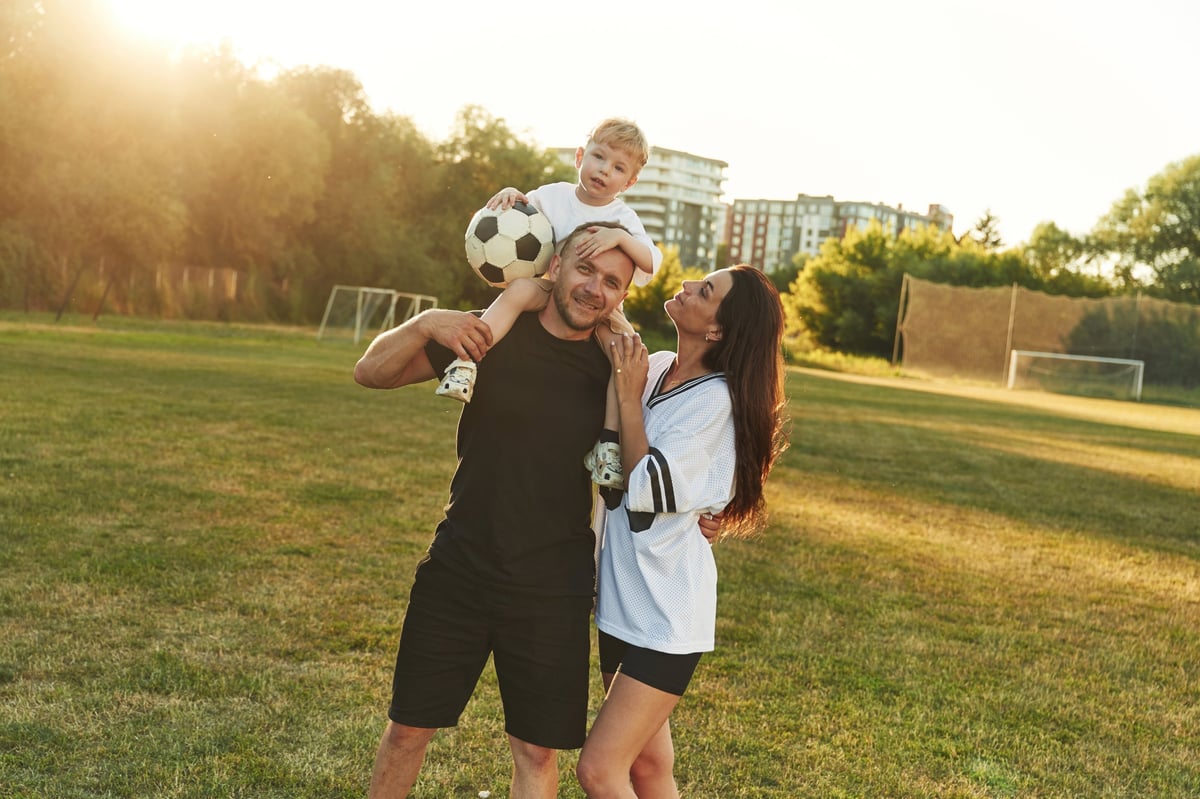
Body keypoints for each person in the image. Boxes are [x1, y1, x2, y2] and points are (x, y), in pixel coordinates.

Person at [355, 222, 719, 799]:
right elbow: (370, 372)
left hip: (554, 584)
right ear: (553, 268)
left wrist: (712, 514)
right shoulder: (491, 334)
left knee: (536, 751)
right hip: (459, 568)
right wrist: (425, 322)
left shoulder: (622, 370)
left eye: (611, 283)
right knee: (407, 732)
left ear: (622, 298)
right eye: (585, 270)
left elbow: (679, 456)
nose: (594, 289)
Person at [574, 265, 789, 798]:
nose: (690, 286)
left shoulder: (715, 400)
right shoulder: (660, 367)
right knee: (648, 770)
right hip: (623, 601)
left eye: (706, 291)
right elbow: (608, 323)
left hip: (667, 613)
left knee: (600, 771)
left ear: (717, 329)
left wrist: (627, 396)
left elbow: (641, 484)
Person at [436, 117, 662, 429]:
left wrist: (621, 238)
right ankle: (466, 364)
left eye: (619, 168)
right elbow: (521, 215)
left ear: (629, 183)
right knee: (516, 292)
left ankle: (610, 438)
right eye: (599, 157)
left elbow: (653, 261)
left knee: (625, 355)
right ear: (580, 156)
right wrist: (511, 192)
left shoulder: (623, 218)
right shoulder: (554, 195)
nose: (605, 170)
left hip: (601, 307)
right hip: (549, 290)